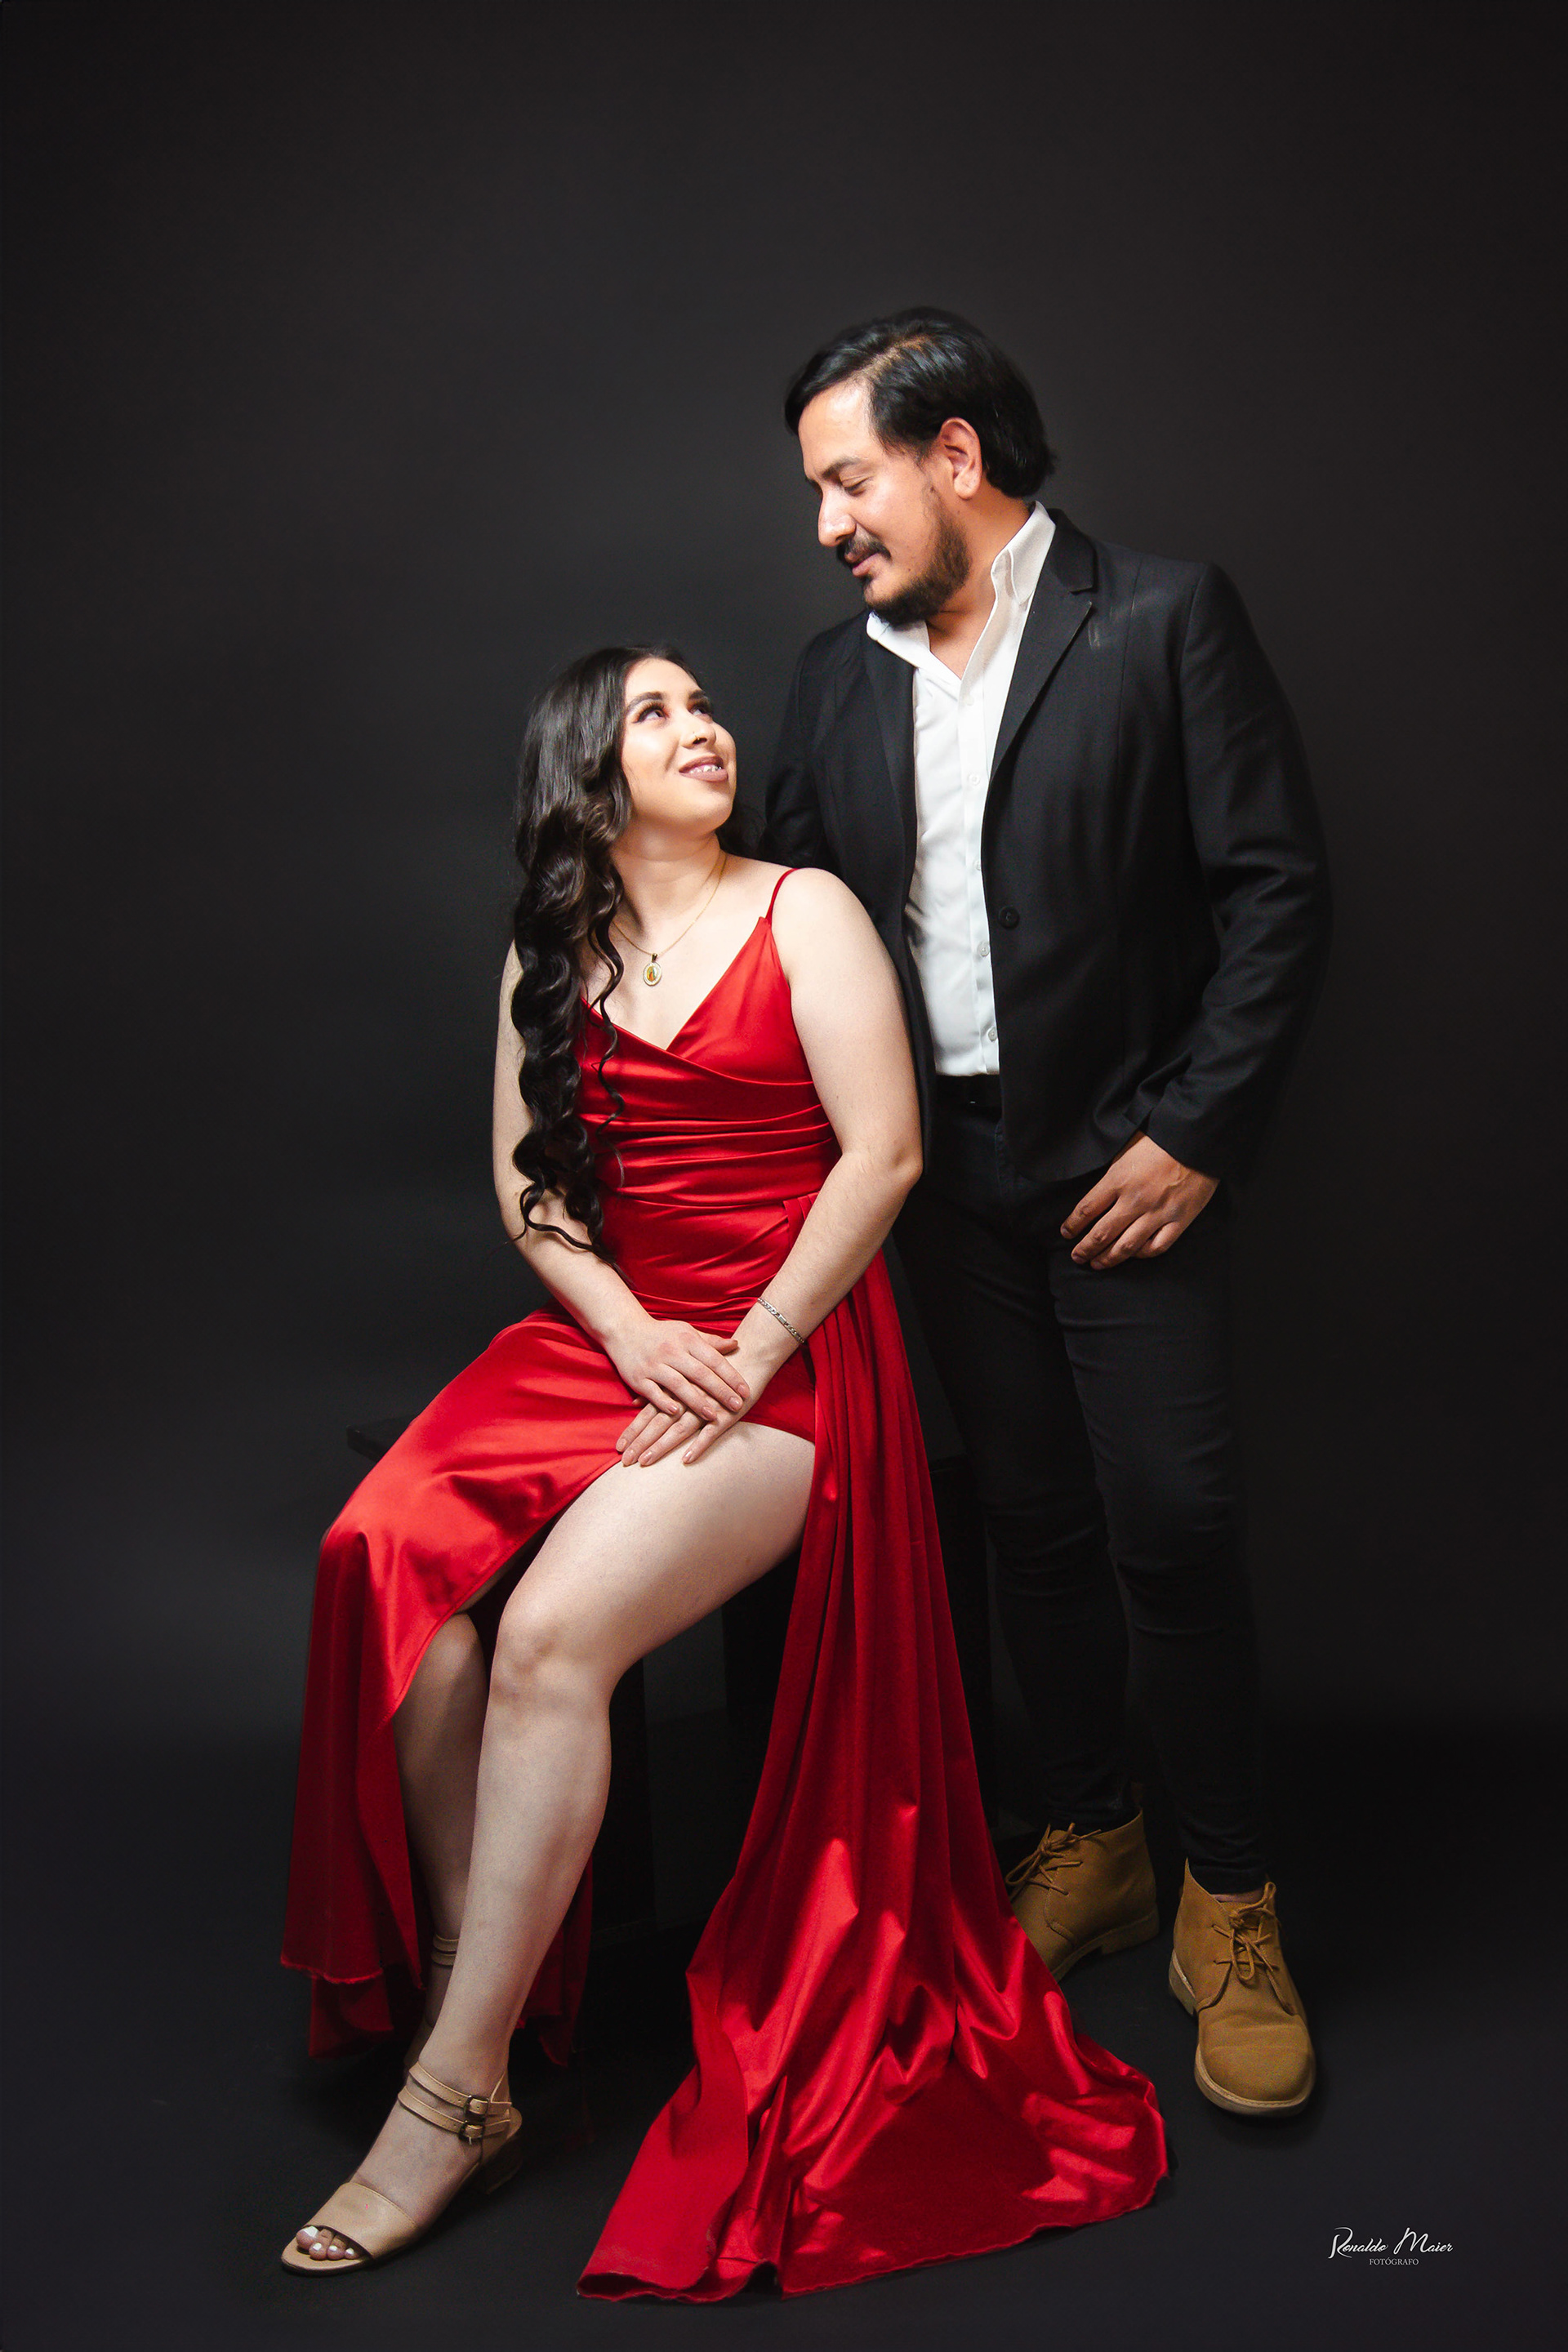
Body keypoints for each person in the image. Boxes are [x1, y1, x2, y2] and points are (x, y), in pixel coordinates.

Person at [279, 644, 1166, 2292]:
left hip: (792, 1347)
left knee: (550, 1637)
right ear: (587, 773)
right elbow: (533, 1191)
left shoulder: (804, 910)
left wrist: (748, 1350)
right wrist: (631, 1332)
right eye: (655, 714)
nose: (703, 730)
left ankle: (455, 2094)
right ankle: (481, 1975)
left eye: (703, 706)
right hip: (623, 1334)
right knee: (379, 1564)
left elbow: (886, 1155)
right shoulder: (551, 949)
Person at [767, 310, 1330, 2118]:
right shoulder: (832, 679)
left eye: (848, 480)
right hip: (941, 1181)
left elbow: (1277, 891)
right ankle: (1095, 1835)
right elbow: (789, 918)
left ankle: (1230, 1898)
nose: (828, 524)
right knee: (1027, 1521)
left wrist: (1199, 1132)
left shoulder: (1159, 616)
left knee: (1175, 1519)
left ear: (956, 456)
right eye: (816, 493)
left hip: (1126, 1169)